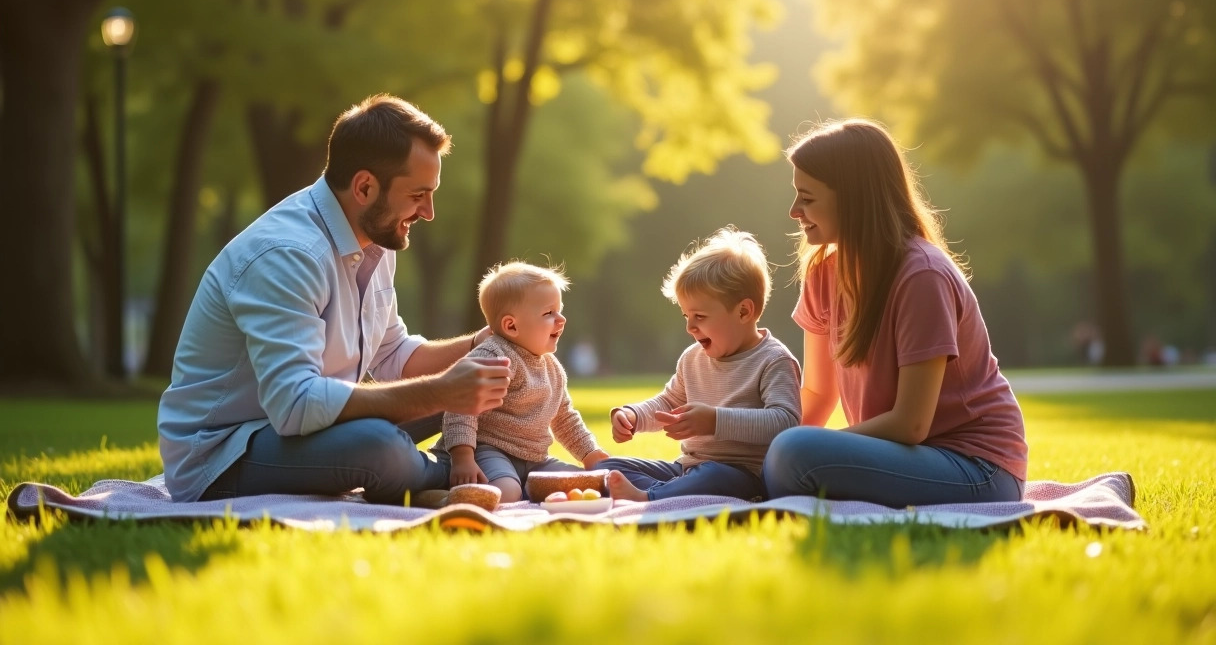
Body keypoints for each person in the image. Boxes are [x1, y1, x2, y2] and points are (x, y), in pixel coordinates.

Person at [157, 95, 511, 504]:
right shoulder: (288, 254)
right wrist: (441, 392)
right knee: (379, 445)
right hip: (224, 454)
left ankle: (478, 465)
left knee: (491, 387)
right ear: (364, 187)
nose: (428, 212)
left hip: (308, 428)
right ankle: (454, 475)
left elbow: (393, 355)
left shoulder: (377, 241)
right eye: (418, 195)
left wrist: (480, 346)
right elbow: (296, 405)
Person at [763, 119, 1028, 507]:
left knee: (793, 453)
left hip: (977, 469)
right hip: (905, 457)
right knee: (774, 453)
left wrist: (791, 448)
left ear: (853, 198)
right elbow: (818, 394)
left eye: (807, 198)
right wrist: (750, 444)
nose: (793, 211)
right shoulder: (823, 273)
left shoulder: (922, 275)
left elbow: (911, 423)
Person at [595, 228, 801, 502]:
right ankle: (669, 492)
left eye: (700, 316)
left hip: (742, 475)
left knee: (713, 476)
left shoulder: (773, 360)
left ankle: (650, 498)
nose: (690, 327)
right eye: (685, 315)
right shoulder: (692, 358)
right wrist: (633, 416)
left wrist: (715, 420)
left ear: (743, 311)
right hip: (686, 468)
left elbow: (785, 422)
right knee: (605, 468)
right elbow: (669, 402)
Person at [438, 262, 610, 503]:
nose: (561, 320)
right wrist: (463, 458)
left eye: (560, 310)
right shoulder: (493, 356)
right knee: (505, 493)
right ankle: (442, 497)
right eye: (549, 313)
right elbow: (460, 406)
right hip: (488, 450)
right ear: (512, 325)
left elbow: (564, 418)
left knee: (588, 485)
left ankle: (528, 489)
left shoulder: (552, 368)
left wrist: (590, 453)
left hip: (536, 458)